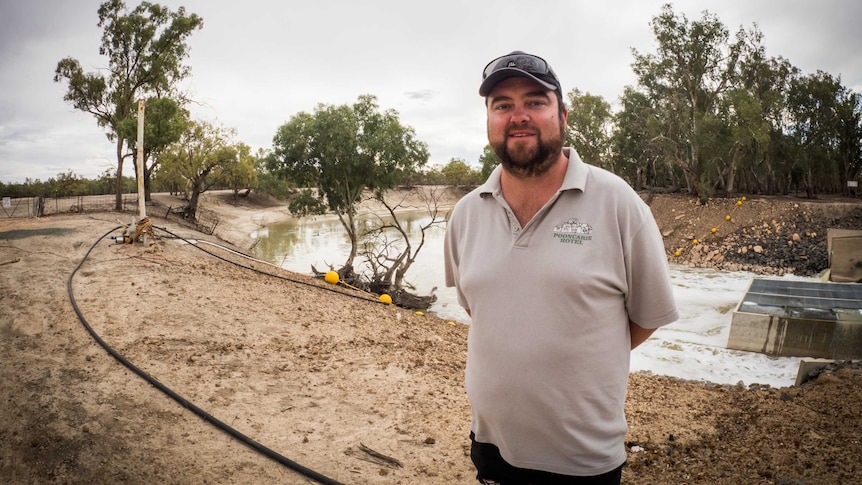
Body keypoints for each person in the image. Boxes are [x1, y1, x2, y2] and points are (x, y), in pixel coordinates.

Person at [444, 51, 679, 484]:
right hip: (490, 446)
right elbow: (482, 311)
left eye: (535, 101)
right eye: (503, 105)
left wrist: (582, 360)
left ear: (563, 115)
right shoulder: (465, 214)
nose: (519, 116)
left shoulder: (617, 202)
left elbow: (647, 318)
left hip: (582, 460)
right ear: (489, 120)